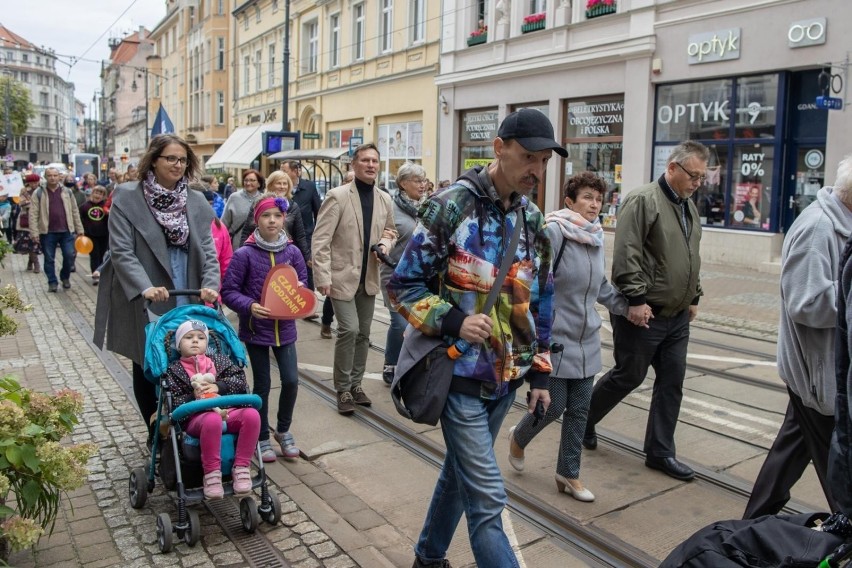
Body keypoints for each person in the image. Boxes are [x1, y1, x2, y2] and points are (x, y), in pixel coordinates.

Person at [388, 108, 563, 567]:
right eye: (528, 157)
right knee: (487, 500)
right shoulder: (452, 206)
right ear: (499, 149)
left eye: (544, 161)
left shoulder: (534, 221)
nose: (536, 171)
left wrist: (540, 375)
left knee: (460, 473)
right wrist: (451, 321)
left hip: (506, 379)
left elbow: (543, 302)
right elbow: (402, 285)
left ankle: (428, 557)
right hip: (460, 374)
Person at [583, 140, 706, 482]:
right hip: (645, 312)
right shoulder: (643, 200)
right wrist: (635, 300)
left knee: (672, 381)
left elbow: (691, 255)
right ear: (672, 169)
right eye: (693, 175)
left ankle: (660, 452)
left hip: (677, 316)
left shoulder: (688, 207)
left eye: (702, 177)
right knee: (629, 376)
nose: (697, 182)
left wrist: (694, 295)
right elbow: (627, 255)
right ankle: (583, 420)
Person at [507, 172, 632, 503]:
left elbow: (601, 285)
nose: (594, 204)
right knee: (553, 405)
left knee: (580, 408)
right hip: (556, 335)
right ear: (569, 201)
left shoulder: (596, 237)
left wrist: (627, 307)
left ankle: (569, 473)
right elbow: (535, 279)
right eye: (587, 197)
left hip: (587, 334)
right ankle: (519, 437)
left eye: (597, 198)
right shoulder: (555, 232)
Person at [743, 157, 852, 519]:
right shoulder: (819, 228)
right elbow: (806, 305)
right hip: (818, 374)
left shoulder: (842, 223)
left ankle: (755, 521)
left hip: (819, 371)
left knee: (792, 449)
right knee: (839, 468)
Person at [93, 134, 220, 444]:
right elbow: (122, 251)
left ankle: (192, 427)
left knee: (190, 357)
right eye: (171, 158)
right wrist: (145, 287)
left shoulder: (195, 199)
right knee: (147, 361)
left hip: (187, 285)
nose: (178, 165)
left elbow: (207, 246)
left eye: (183, 160)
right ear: (153, 160)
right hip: (146, 289)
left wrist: (210, 284)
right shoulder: (127, 196)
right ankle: (156, 432)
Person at [312, 143, 397, 415]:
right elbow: (321, 239)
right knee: (349, 329)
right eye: (365, 160)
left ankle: (357, 385)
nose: (370, 165)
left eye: (374, 161)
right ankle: (343, 388)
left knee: (364, 333)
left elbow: (390, 231)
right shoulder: (337, 197)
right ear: (354, 165)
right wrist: (323, 276)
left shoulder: (384, 198)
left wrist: (384, 244)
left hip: (369, 276)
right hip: (341, 276)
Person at [221, 196, 306, 462]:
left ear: (284, 220)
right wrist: (249, 306)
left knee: (291, 381)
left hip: (286, 329)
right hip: (256, 329)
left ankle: (283, 429)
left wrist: (301, 291)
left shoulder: (292, 252)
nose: (272, 220)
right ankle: (262, 437)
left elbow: (302, 280)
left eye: (277, 216)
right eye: (266, 216)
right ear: (257, 220)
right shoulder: (245, 254)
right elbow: (228, 291)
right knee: (262, 385)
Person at [164, 319, 261, 499]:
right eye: (188, 337)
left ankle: (241, 467)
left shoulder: (220, 360)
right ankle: (212, 475)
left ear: (207, 343)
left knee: (252, 415)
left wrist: (219, 386)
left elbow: (240, 382)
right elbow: (174, 403)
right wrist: (193, 395)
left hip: (228, 410)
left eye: (200, 337)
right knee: (212, 419)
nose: (195, 341)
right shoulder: (174, 370)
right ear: (178, 345)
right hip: (196, 418)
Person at [378, 162, 428, 385]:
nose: (422, 185)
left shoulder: (426, 207)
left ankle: (411, 365)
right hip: (394, 275)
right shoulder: (390, 209)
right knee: (399, 323)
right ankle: (391, 364)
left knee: (418, 324)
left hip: (420, 277)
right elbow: (383, 237)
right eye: (417, 181)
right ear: (402, 183)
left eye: (424, 180)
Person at [28, 167, 85, 292]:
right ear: (45, 177)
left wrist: (79, 229)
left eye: (55, 175)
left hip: (66, 231)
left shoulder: (67, 192)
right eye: (50, 175)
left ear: (59, 177)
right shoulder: (39, 193)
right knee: (49, 258)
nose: (52, 178)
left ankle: (65, 277)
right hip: (47, 232)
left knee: (69, 255)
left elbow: (75, 211)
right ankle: (52, 282)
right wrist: (34, 232)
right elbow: (33, 214)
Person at [238, 171, 309, 263]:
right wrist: (241, 255)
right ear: (271, 185)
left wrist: (306, 258)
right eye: (279, 183)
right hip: (259, 253)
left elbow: (300, 236)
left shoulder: (293, 206)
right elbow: (247, 231)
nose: (282, 187)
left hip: (285, 255)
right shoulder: (259, 203)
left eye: (285, 184)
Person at [281, 160, 322, 318]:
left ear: (296, 171)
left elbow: (318, 210)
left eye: (285, 170)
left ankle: (308, 305)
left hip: (306, 235)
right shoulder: (281, 188)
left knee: (307, 269)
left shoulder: (309, 187)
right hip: (285, 238)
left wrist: (318, 233)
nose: (283, 173)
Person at [221, 169, 264, 251]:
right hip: (236, 246)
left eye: (252, 180)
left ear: (259, 183)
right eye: (246, 180)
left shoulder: (264, 199)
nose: (248, 183)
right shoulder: (234, 197)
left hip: (259, 246)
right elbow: (224, 223)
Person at [199, 187, 233, 287]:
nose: (208, 209)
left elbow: (226, 262)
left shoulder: (219, 227)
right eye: (204, 204)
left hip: (212, 293)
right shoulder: (182, 228)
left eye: (211, 204)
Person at [78, 185, 109, 286]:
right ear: (92, 194)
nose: (97, 195)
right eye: (96, 193)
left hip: (104, 234)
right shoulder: (85, 206)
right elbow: (80, 219)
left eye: (100, 194)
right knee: (94, 255)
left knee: (102, 255)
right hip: (90, 234)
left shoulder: (105, 207)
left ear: (104, 196)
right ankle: (95, 275)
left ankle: (100, 273)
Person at [14, 173, 42, 273]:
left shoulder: (42, 190)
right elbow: (21, 203)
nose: (34, 184)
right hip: (26, 219)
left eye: (36, 182)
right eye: (32, 182)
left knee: (35, 243)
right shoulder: (24, 191)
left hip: (39, 219)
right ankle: (36, 263)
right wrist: (31, 203)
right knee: (30, 242)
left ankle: (31, 262)